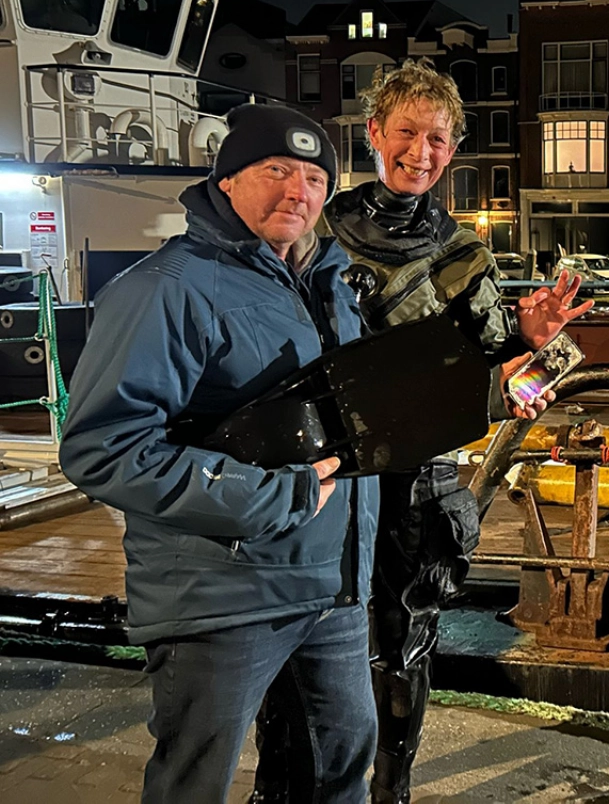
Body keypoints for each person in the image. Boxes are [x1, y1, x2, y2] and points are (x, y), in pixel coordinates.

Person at [252, 59, 592, 804]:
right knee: (293, 634)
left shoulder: (465, 251)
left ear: (452, 150)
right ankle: (279, 791)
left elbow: (495, 366)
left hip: (420, 480)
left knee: (402, 645)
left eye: (438, 138)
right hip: (326, 470)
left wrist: (528, 344)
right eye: (406, 131)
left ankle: (390, 792)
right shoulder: (319, 227)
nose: (421, 150)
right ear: (374, 133)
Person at [58, 105, 380, 804]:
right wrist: (270, 498)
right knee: (194, 784)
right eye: (276, 171)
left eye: (315, 178)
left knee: (340, 771)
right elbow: (102, 446)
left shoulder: (329, 283)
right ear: (227, 181)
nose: (299, 191)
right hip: (222, 595)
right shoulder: (165, 289)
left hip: (332, 587)